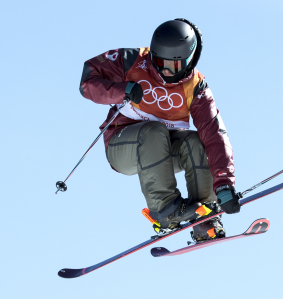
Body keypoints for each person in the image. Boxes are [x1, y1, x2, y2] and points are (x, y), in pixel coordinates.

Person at [79, 18, 240, 243]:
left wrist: (224, 183)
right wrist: (120, 90)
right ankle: (165, 210)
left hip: (162, 151)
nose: (164, 70)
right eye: (158, 61)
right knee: (154, 131)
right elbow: (87, 80)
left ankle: (205, 216)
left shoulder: (196, 88)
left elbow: (215, 135)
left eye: (172, 65)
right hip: (123, 145)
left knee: (195, 142)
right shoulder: (133, 60)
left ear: (188, 60)